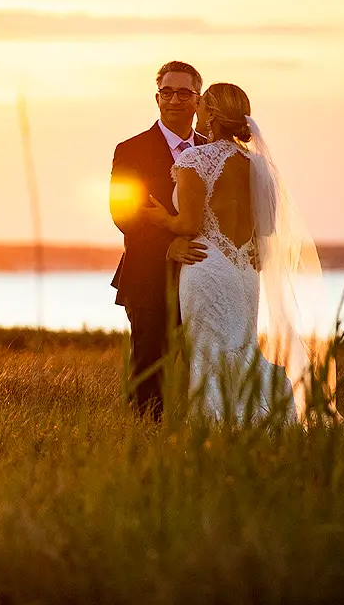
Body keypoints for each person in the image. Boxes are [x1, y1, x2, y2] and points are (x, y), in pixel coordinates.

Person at [141, 82, 327, 422]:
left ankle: (218, 423)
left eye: (201, 106)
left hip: (207, 266)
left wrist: (161, 219)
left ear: (211, 114)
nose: (195, 111)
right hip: (243, 272)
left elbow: (189, 224)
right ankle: (259, 415)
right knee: (241, 346)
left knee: (209, 351)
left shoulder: (195, 159)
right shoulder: (258, 165)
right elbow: (267, 229)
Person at [108, 61, 208, 420]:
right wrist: (168, 245)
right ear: (157, 97)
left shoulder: (214, 151)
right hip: (149, 276)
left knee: (203, 367)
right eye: (168, 92)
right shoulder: (130, 150)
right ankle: (147, 445)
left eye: (184, 92)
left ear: (198, 100)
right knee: (150, 367)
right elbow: (123, 214)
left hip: (204, 275)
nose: (175, 99)